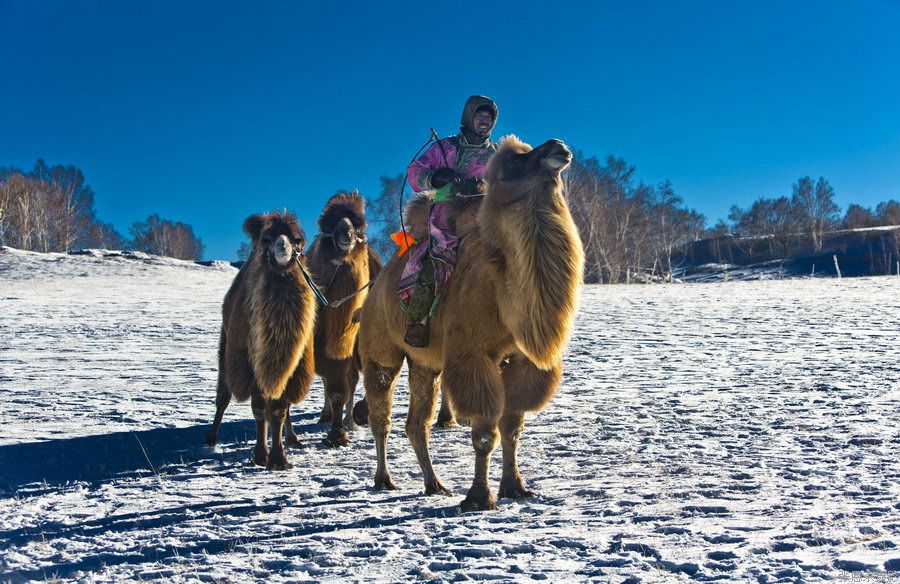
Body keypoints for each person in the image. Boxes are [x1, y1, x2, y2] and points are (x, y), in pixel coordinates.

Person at [399, 95, 499, 348]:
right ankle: (418, 322)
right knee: (433, 262)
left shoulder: (497, 155)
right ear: (468, 118)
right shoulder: (446, 148)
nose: (484, 121)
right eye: (480, 116)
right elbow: (414, 172)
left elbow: (510, 183)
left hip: (484, 217)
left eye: (489, 118)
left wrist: (485, 186)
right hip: (447, 217)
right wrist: (436, 178)